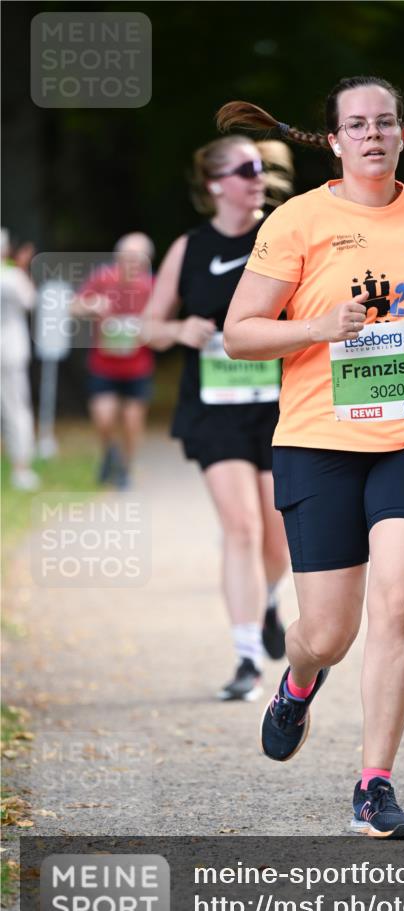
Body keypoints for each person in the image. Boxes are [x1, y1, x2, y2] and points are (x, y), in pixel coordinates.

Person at [221, 76, 404, 839]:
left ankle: (374, 785)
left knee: (398, 601)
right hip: (319, 441)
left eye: (385, 123)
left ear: (403, 134)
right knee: (328, 631)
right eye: (356, 125)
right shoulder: (298, 221)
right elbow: (240, 332)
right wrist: (315, 329)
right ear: (333, 141)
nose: (373, 134)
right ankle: (300, 680)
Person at [142, 136, 290, 702]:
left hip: (279, 407)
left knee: (278, 542)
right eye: (244, 168)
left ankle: (269, 597)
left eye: (262, 167)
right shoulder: (190, 246)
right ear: (213, 184)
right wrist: (180, 330)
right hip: (213, 410)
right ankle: (247, 658)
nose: (258, 176)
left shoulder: (281, 236)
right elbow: (150, 326)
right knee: (241, 528)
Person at [70, 233, 155, 489]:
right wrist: (92, 305)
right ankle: (110, 454)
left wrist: (150, 327)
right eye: (126, 256)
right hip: (103, 364)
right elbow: (73, 306)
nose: (131, 262)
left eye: (137, 257)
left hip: (138, 366)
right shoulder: (102, 278)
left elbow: (165, 320)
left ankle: (125, 470)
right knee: (104, 418)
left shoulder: (152, 286)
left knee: (131, 422)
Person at [0, 229, 41, 491]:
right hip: (10, 353)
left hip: (10, 352)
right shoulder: (12, 276)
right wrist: (23, 268)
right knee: (16, 409)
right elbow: (32, 301)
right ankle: (21, 468)